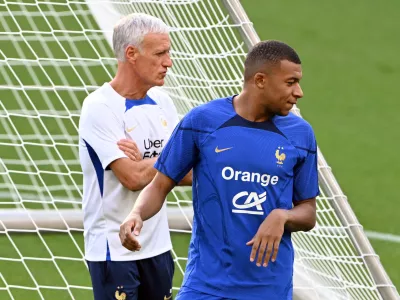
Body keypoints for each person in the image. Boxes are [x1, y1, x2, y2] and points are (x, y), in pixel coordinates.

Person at [119, 40, 319, 300]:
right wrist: (136, 214)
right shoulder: (202, 121)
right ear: (260, 80)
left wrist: (282, 216)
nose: (299, 92)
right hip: (205, 285)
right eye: (290, 82)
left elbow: (308, 212)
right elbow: (159, 185)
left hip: (268, 288)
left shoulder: (300, 134)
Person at [79, 13, 191, 300]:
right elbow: (132, 178)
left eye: (168, 52)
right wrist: (170, 158)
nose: (169, 61)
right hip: (113, 249)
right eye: (160, 53)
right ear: (131, 54)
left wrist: (149, 160)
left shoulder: (163, 103)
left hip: (158, 247)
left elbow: (186, 172)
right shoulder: (99, 107)